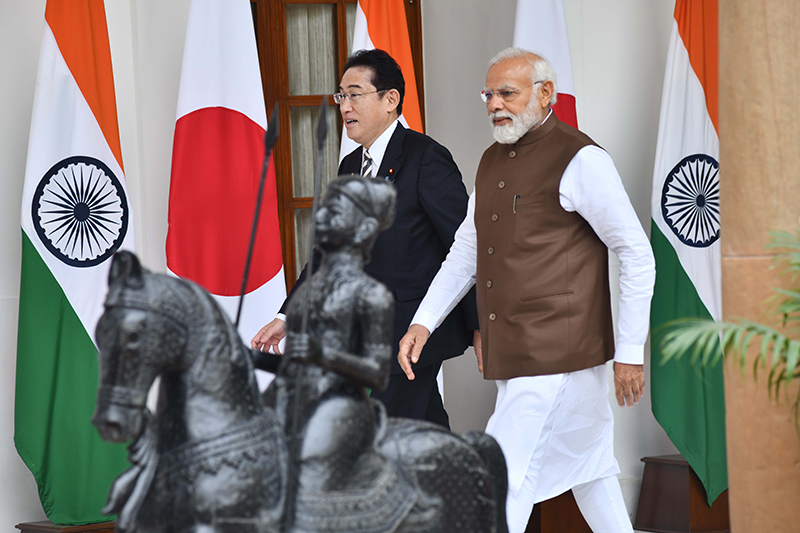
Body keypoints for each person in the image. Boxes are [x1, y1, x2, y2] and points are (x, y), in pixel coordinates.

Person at [397, 48, 656, 533]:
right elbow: (464, 255)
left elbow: (637, 253)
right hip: (519, 353)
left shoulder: (582, 158)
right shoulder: (491, 160)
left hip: (560, 354)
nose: (495, 104)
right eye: (489, 94)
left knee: (502, 476)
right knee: (592, 472)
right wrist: (423, 322)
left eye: (507, 93)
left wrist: (630, 352)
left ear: (545, 94)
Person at [252, 49, 479, 429]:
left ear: (390, 100)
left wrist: (479, 328)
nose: (344, 106)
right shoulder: (350, 165)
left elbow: (466, 245)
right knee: (425, 429)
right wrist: (287, 313)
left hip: (413, 331)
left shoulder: (425, 158)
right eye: (341, 95)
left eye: (355, 94)